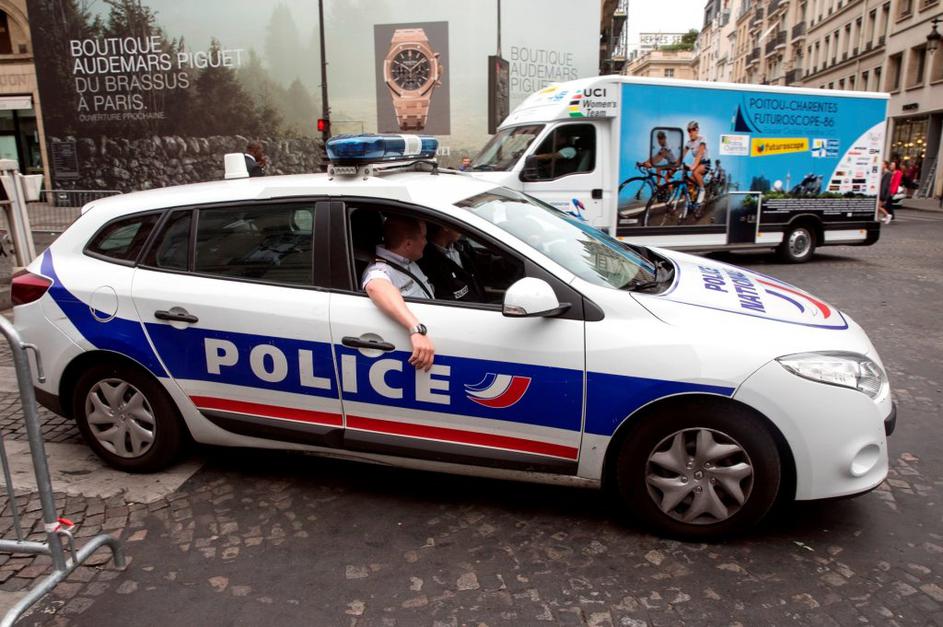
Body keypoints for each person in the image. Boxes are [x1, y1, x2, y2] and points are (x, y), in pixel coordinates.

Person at [361, 215, 435, 370]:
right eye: (423, 237)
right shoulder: (380, 269)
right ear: (408, 244)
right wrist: (416, 329)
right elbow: (376, 286)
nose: (426, 242)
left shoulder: (406, 260)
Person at [418, 223, 483, 303]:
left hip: (479, 302)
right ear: (445, 227)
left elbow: (483, 264)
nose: (462, 227)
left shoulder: (463, 247)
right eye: (459, 223)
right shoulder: (429, 262)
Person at [677, 121, 709, 209]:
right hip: (697, 163)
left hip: (705, 163)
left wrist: (693, 166)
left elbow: (700, 154)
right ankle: (693, 197)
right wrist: (675, 163)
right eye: (689, 130)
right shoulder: (689, 142)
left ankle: (702, 190)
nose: (691, 132)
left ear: (697, 130)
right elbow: (682, 154)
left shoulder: (702, 139)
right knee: (689, 181)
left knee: (695, 173)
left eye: (693, 130)